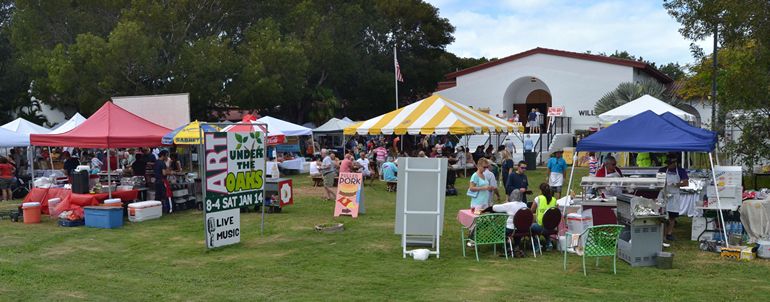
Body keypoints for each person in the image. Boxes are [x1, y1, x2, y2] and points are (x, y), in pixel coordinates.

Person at [659, 157, 688, 242]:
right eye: (667, 164)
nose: (668, 166)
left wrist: (676, 184)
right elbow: (658, 181)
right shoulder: (662, 170)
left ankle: (669, 233)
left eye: (670, 164)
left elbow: (686, 183)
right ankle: (661, 234)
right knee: (662, 215)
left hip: (674, 195)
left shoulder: (681, 171)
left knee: (672, 216)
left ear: (675, 163)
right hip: (663, 194)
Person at [530, 183, 558, 250]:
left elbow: (531, 211)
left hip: (541, 226)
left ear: (541, 191)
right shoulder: (554, 200)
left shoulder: (538, 198)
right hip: (551, 227)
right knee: (545, 226)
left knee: (531, 227)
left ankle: (537, 245)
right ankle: (549, 243)